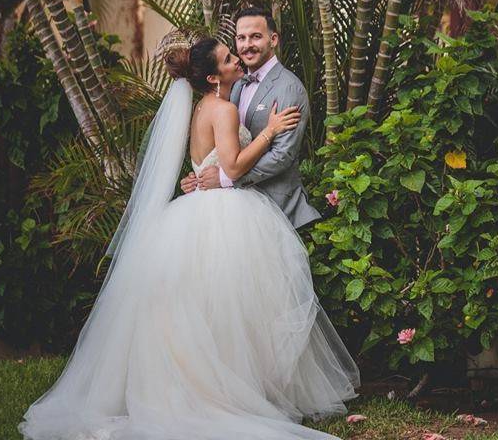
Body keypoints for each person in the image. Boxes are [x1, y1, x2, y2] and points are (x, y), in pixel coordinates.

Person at [20, 32, 359, 440]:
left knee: (212, 310)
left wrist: (203, 175)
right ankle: (231, 393)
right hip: (226, 214)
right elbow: (231, 168)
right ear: (216, 77)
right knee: (235, 306)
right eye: (229, 57)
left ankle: (222, 387)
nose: (237, 59)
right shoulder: (225, 111)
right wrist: (269, 132)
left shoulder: (203, 107)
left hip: (194, 212)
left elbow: (208, 164)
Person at [180, 8, 320, 230]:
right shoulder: (234, 85)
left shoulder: (289, 88)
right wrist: (200, 177)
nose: (247, 45)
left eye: (256, 36)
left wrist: (225, 179)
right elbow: (222, 146)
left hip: (278, 209)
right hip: (235, 213)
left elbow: (282, 156)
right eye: (241, 38)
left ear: (273, 39)